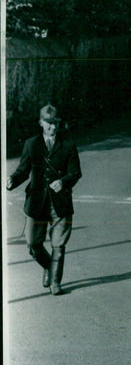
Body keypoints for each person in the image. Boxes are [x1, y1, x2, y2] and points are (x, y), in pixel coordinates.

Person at [7, 104, 82, 295]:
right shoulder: (32, 144)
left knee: (59, 244)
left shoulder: (68, 144)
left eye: (56, 123)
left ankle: (56, 283)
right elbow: (23, 170)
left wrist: (64, 182)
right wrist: (12, 179)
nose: (53, 127)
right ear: (41, 122)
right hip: (36, 202)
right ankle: (49, 266)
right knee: (33, 244)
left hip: (60, 202)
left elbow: (76, 172)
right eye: (49, 123)